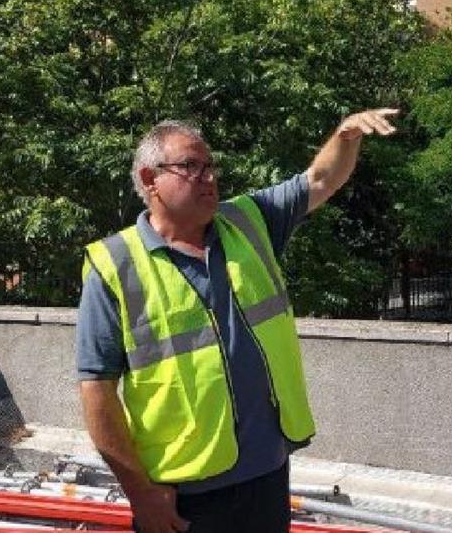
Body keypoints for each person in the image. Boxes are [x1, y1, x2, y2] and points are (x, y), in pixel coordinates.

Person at [77, 110, 398, 533]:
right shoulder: (114, 265)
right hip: (185, 493)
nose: (208, 177)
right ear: (150, 179)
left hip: (265, 475)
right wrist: (140, 493)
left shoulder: (247, 221)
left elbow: (321, 180)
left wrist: (346, 135)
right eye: (191, 167)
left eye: (210, 166)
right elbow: (97, 391)